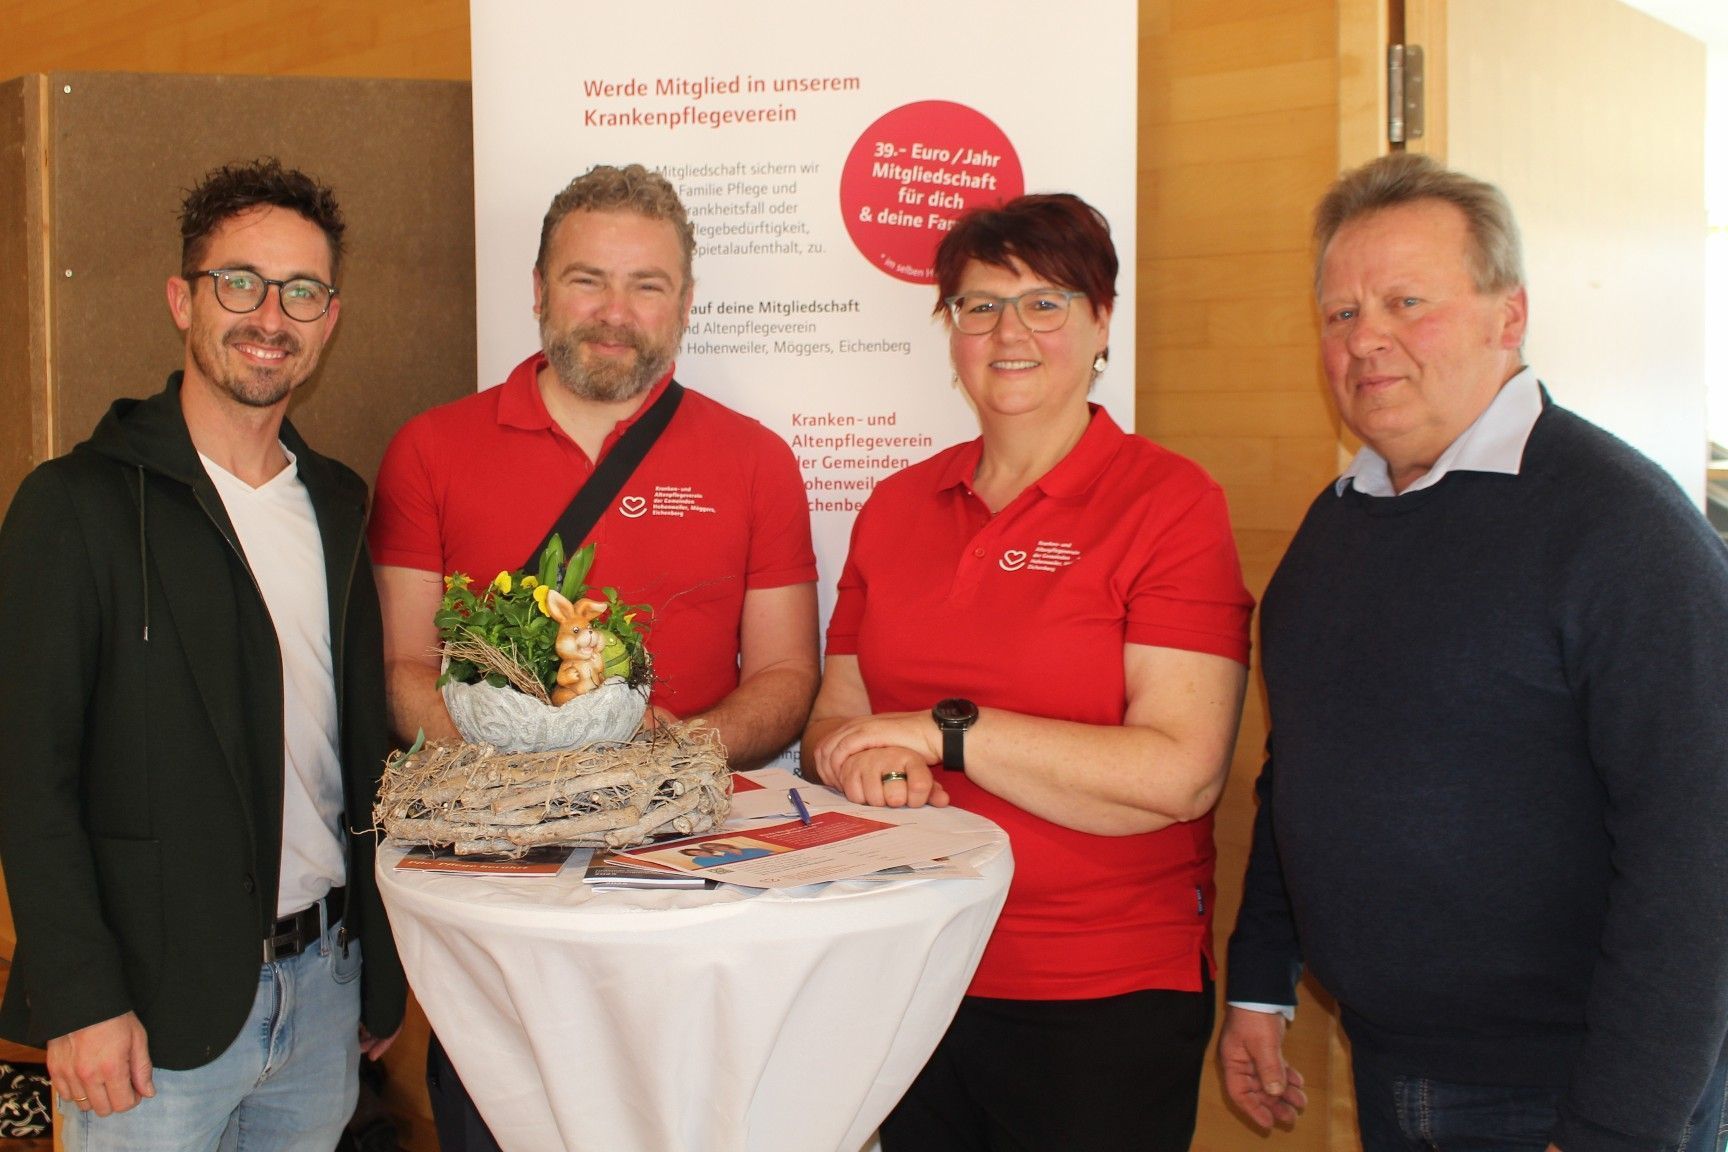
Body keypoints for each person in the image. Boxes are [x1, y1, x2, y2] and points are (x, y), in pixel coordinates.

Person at [1220, 152, 1728, 1152]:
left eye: (1409, 302)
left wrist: (1618, 1132)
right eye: (1340, 314)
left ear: (1511, 317)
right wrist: (1259, 980)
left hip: (1570, 1091)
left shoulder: (1622, 532)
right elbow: (1301, 774)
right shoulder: (1336, 527)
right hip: (1392, 1062)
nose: (1367, 338)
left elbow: (1699, 867)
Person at [369, 162, 819, 1149]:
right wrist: (543, 771)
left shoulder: (754, 461)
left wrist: (665, 759)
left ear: (686, 304)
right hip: (500, 907)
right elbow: (404, 667)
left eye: (646, 285)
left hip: (690, 906)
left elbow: (788, 675)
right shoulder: (431, 450)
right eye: (586, 280)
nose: (614, 313)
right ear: (537, 290)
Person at [804, 193, 1253, 1151]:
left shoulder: (1169, 504)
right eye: (978, 305)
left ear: (1101, 324)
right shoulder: (894, 506)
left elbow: (1179, 776)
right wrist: (855, 761)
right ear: (949, 330)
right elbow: (834, 713)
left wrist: (946, 733)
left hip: (1096, 994)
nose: (1010, 331)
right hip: (909, 969)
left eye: (1046, 302)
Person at [0, 158, 405, 1150]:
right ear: (184, 299)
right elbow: (27, 773)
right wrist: (79, 997)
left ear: (330, 317)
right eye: (241, 283)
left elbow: (362, 760)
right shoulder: (79, 507)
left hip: (321, 1000)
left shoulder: (341, 506)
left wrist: (381, 975)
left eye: (302, 291)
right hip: (145, 1020)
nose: (271, 315)